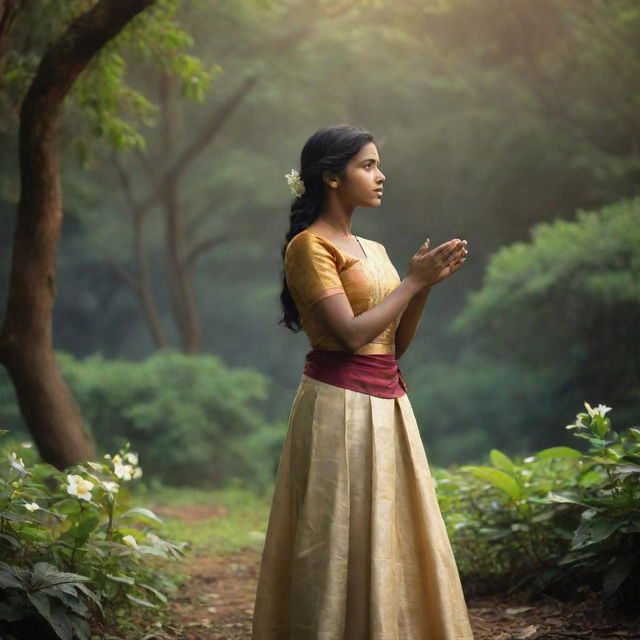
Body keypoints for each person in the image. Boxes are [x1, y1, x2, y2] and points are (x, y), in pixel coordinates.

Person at [251, 124, 475, 640]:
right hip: (337, 406)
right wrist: (414, 281)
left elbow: (392, 346)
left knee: (392, 530)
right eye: (368, 165)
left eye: (377, 165)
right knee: (334, 534)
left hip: (390, 404)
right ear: (331, 177)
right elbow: (350, 337)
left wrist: (422, 289)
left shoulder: (373, 247)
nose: (381, 175)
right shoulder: (309, 248)